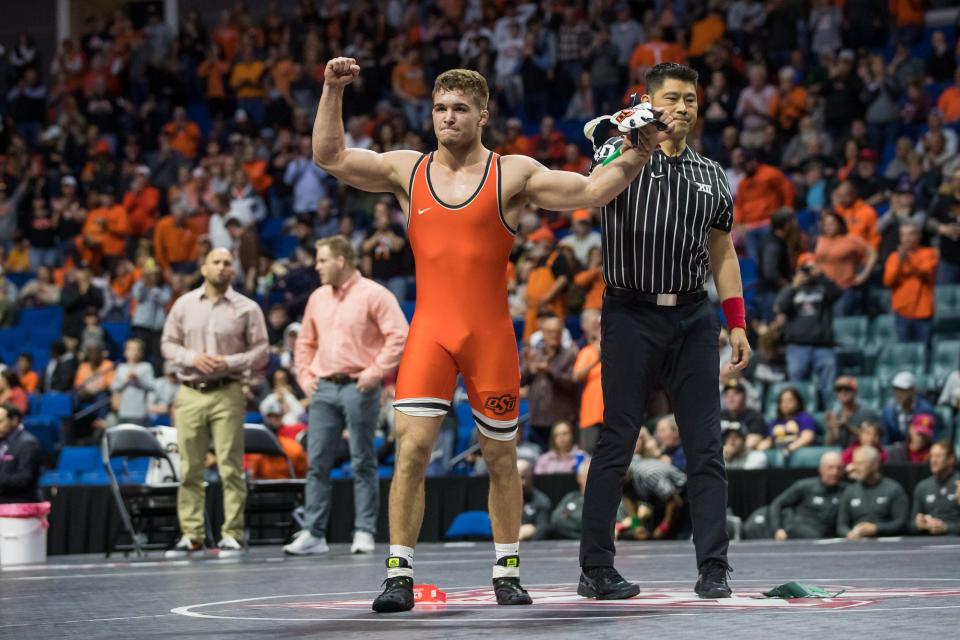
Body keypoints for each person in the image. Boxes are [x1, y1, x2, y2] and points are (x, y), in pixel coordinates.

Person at [311, 59, 673, 612]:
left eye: (459, 109)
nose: (448, 118)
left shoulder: (513, 174)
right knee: (411, 452)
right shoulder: (407, 170)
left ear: (483, 113)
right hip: (431, 332)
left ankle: (507, 570)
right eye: (440, 109)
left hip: (489, 336)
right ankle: (398, 575)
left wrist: (639, 151)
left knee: (501, 456)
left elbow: (593, 191)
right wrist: (333, 90)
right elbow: (330, 156)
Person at [579, 62, 749, 602]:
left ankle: (715, 566)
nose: (682, 108)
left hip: (694, 317)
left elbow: (722, 250)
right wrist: (632, 138)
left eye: (690, 101)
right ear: (650, 103)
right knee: (617, 440)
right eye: (671, 98)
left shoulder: (713, 176)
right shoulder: (618, 155)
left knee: (705, 445)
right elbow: (594, 188)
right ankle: (595, 569)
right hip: (629, 314)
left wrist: (737, 320)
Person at [286, 236, 408, 557]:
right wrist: (304, 377)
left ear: (341, 261)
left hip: (359, 385)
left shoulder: (374, 294)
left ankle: (364, 530)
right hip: (323, 387)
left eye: (322, 260)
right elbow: (304, 342)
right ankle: (313, 532)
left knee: (362, 460)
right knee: (317, 462)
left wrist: (375, 371)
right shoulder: (317, 298)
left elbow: (399, 334)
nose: (316, 266)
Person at [161, 248, 269, 559]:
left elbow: (261, 350)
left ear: (232, 271)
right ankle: (191, 535)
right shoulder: (184, 304)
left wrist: (229, 362)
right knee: (189, 469)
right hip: (190, 392)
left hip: (228, 390)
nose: (222, 268)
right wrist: (192, 357)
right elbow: (167, 343)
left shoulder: (247, 308)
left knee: (230, 467)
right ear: (204, 268)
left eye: (227, 264)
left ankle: (232, 534)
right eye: (216, 263)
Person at [774, 253, 841, 406]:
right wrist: (793, 286)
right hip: (797, 346)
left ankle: (828, 416)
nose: (808, 272)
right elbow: (780, 307)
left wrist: (821, 276)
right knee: (797, 386)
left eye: (811, 268)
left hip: (823, 345)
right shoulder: (792, 288)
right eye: (805, 268)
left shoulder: (824, 287)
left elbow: (838, 293)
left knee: (829, 387)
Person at [521, 315, 579, 446]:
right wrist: (529, 369)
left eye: (558, 332)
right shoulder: (534, 353)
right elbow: (520, 382)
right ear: (542, 333)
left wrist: (550, 371)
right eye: (550, 332)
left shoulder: (570, 354)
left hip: (562, 421)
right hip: (537, 418)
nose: (554, 335)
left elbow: (573, 383)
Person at [766, 451, 845, 540]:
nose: (835, 472)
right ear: (821, 468)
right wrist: (777, 529)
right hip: (800, 533)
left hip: (827, 539)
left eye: (839, 468)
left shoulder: (846, 490)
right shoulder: (804, 486)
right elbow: (777, 504)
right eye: (830, 468)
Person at [837, 445, 909, 539]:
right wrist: (848, 533)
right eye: (855, 463)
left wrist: (876, 529)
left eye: (861, 464)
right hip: (857, 544)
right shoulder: (850, 491)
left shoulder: (893, 489)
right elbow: (841, 525)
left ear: (875, 465)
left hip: (887, 545)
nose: (856, 468)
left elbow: (902, 523)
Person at [883, 223, 938, 344]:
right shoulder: (894, 257)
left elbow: (926, 271)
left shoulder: (929, 253)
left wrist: (908, 261)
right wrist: (899, 262)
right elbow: (888, 281)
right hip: (902, 312)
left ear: (919, 236)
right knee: (905, 352)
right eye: (903, 235)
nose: (907, 238)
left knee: (925, 351)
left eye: (910, 234)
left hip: (923, 311)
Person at [911, 441, 960, 536]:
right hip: (927, 540)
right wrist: (920, 524)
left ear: (951, 459)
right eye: (932, 456)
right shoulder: (923, 486)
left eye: (938, 456)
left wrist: (947, 527)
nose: (933, 460)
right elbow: (911, 524)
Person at [573, 316, 603, 453]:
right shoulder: (587, 352)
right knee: (589, 452)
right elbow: (576, 376)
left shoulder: (617, 351)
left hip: (614, 412)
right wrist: (597, 359)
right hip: (591, 413)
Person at [824, 376, 881, 448]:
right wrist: (830, 429)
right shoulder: (836, 414)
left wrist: (847, 427)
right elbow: (829, 444)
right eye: (839, 389)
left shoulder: (868, 413)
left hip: (864, 452)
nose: (843, 392)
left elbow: (871, 440)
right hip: (844, 454)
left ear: (855, 391)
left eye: (847, 389)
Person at [0, 404, 41, 504]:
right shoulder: (2, 440)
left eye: (1, 421)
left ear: (14, 420)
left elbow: (24, 479)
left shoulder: (28, 443)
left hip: (19, 505)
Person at [882, 371, 938, 444]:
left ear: (913, 390)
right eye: (896, 389)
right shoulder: (888, 411)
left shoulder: (926, 410)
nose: (899, 393)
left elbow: (931, 437)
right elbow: (886, 438)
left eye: (903, 390)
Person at [758, 388, 817, 456]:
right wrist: (760, 449)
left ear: (798, 402)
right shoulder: (774, 422)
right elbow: (768, 441)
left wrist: (790, 448)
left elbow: (807, 437)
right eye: (782, 401)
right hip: (779, 451)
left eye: (790, 400)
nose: (785, 404)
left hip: (796, 452)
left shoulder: (804, 417)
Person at [110, 338, 155, 426]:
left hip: (139, 412)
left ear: (142, 352)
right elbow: (114, 387)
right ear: (125, 352)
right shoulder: (121, 367)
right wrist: (126, 380)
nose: (134, 352)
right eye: (130, 349)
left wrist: (139, 379)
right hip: (123, 411)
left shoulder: (146, 367)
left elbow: (152, 386)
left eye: (137, 350)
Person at [719, 379, 767, 450]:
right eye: (727, 394)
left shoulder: (754, 416)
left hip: (742, 456)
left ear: (745, 397)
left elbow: (753, 441)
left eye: (736, 393)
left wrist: (728, 450)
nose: (731, 398)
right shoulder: (718, 416)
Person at [517, 459, 553, 542]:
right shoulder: (504, 501)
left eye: (523, 477)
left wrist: (528, 533)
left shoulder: (541, 501)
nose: (520, 482)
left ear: (531, 477)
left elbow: (543, 529)